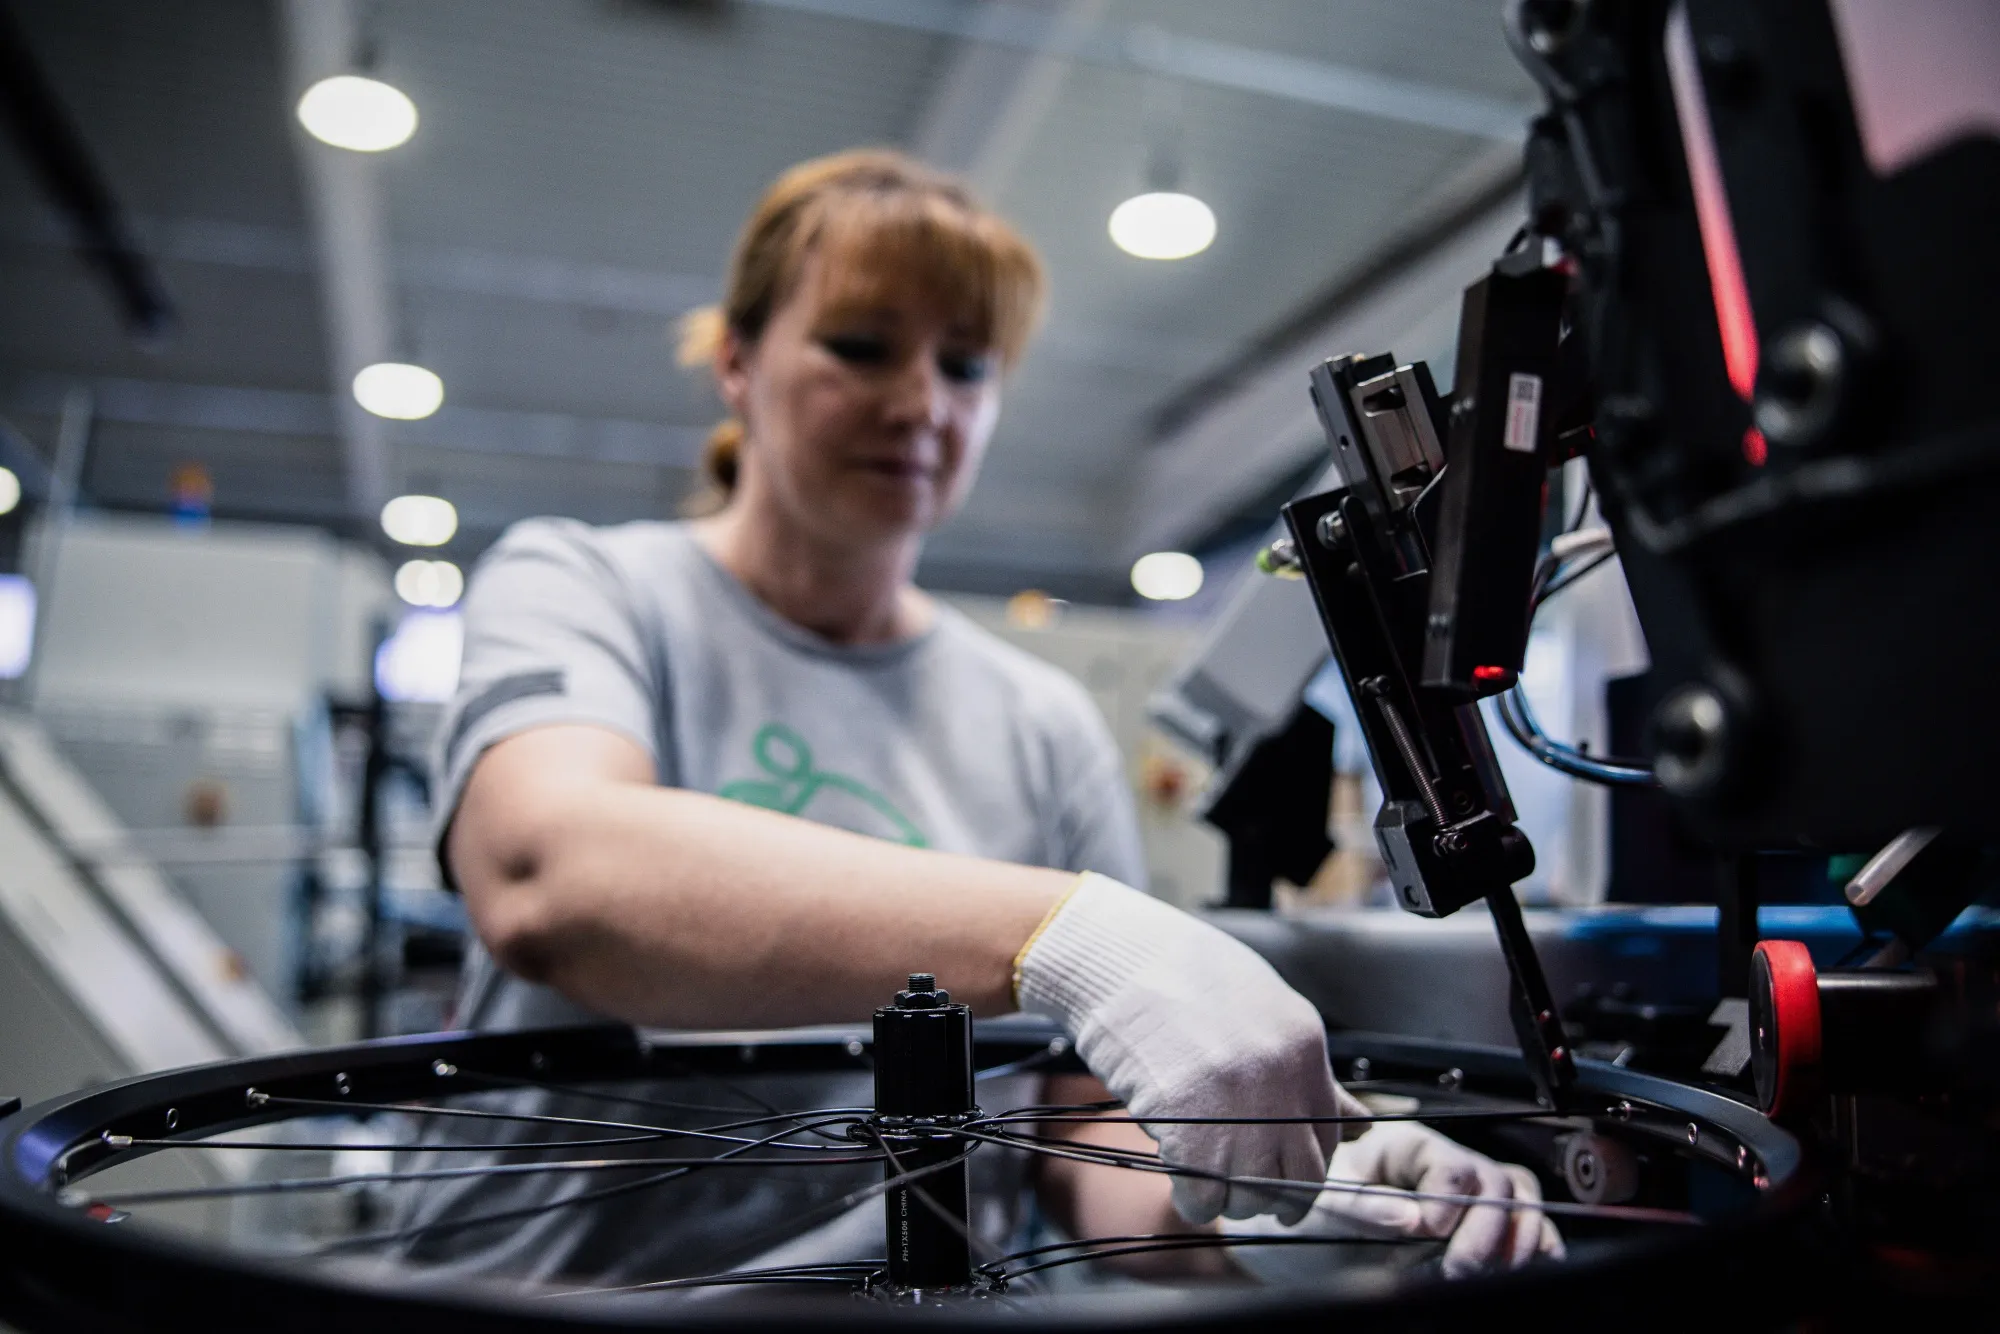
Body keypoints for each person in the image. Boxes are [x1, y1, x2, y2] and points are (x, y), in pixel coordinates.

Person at [404, 148, 1558, 1287]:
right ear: (737, 362)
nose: (918, 403)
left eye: (965, 365)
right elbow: (548, 873)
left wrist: (1288, 1210)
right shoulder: (587, 588)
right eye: (860, 346)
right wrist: (1069, 937)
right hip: (547, 1300)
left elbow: (1077, 1136)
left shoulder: (1036, 719)